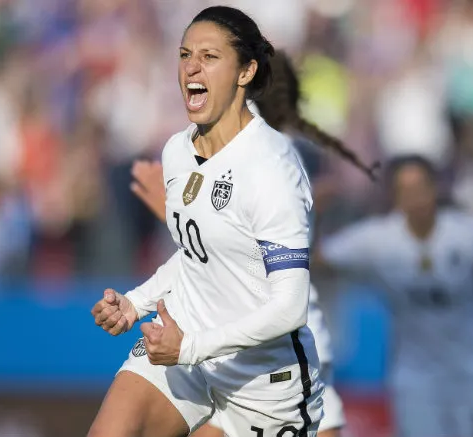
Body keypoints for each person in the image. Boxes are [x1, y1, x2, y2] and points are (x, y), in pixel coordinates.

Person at [90, 7, 325, 437]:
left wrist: (191, 347)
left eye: (210, 56)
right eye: (184, 54)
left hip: (261, 384)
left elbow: (290, 307)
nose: (191, 67)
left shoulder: (273, 168)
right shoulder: (177, 151)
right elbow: (197, 255)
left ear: (245, 71)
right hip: (183, 346)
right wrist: (136, 303)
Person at [128, 49, 379, 437]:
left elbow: (248, 248)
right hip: (255, 346)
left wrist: (173, 215)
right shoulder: (268, 150)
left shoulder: (261, 152)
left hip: (275, 351)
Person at [315, 155, 473, 437]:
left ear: (435, 189)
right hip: (415, 378)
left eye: (420, 188)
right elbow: (316, 259)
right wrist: (312, 212)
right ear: (395, 197)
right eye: (405, 191)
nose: (415, 199)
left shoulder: (468, 234)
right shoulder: (378, 240)